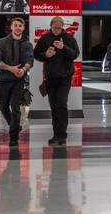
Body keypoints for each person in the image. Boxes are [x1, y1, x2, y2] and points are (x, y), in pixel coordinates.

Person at [33, 15, 79, 148]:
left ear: (62, 27)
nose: (57, 30)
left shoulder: (69, 38)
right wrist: (45, 55)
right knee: (53, 106)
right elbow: (36, 54)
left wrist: (63, 47)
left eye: (59, 28)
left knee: (61, 104)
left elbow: (75, 54)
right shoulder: (45, 38)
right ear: (51, 26)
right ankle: (55, 135)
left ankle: (62, 135)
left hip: (65, 77)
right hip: (50, 77)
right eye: (54, 27)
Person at [0, 17, 33, 146]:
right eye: (15, 25)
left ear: (23, 28)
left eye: (20, 26)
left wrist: (23, 69)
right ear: (11, 27)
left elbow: (29, 61)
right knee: (3, 106)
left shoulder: (27, 44)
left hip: (19, 80)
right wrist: (10, 68)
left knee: (15, 108)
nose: (17, 28)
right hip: (4, 79)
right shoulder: (1, 42)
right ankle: (15, 126)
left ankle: (14, 137)